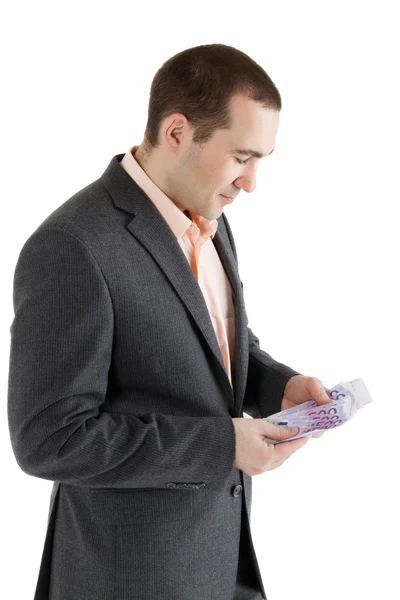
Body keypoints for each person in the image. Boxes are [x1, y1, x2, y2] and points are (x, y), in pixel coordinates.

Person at [7, 43, 330, 600]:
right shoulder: (72, 247)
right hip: (129, 579)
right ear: (177, 131)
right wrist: (220, 446)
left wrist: (278, 386)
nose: (250, 183)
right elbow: (49, 441)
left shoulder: (208, 211)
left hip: (225, 561)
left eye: (260, 161)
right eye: (241, 157)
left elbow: (214, 342)